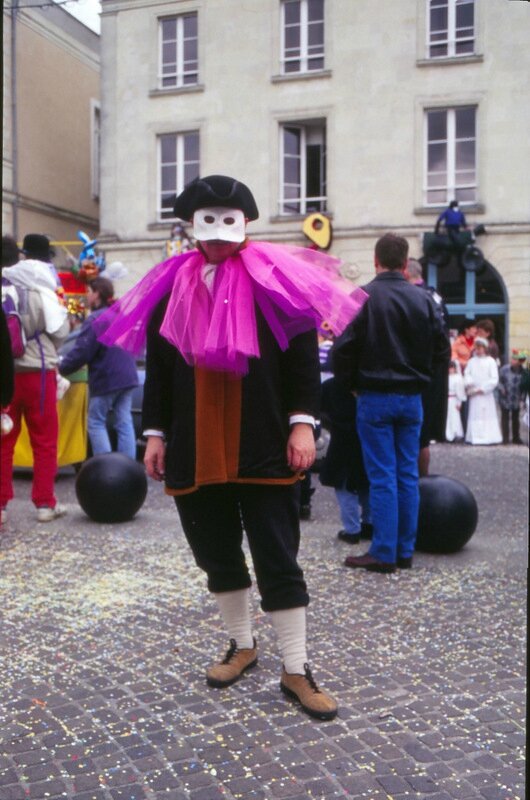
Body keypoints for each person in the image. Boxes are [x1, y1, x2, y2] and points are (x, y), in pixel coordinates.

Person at [94, 174, 367, 721]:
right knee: (216, 551)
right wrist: (155, 433)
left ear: (245, 224)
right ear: (191, 227)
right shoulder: (172, 286)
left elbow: (301, 360)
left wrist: (302, 424)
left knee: (277, 554)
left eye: (228, 221)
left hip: (263, 438)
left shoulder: (276, 281)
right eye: (206, 222)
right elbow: (165, 368)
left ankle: (296, 667)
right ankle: (242, 645)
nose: (217, 235)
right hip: (197, 442)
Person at [332, 233, 450, 573]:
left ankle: (383, 551)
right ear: (404, 262)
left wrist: (352, 385)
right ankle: (404, 550)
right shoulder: (425, 300)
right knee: (407, 475)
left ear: (376, 260)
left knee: (382, 475)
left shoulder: (362, 296)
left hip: (375, 396)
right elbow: (441, 349)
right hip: (412, 397)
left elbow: (342, 350)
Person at [0, 247, 70, 523]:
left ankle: (1, 505)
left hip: (6, 375)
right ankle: (44, 503)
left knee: (4, 440)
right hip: (38, 372)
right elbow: (61, 331)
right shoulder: (40, 292)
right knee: (44, 441)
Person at [59, 277, 139, 460]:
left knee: (96, 421)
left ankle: (105, 466)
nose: (87, 296)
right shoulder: (120, 315)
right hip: (128, 376)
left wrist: (61, 368)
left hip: (107, 377)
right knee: (124, 421)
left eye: (88, 292)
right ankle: (128, 466)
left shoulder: (96, 319)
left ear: (97, 294)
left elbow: (82, 352)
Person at [404, 258, 449, 475]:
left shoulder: (413, 297)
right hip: (433, 375)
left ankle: (413, 484)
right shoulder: (436, 296)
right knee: (423, 439)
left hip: (413, 375)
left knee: (411, 436)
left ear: (405, 273)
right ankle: (421, 482)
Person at [319, 375, 371, 544]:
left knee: (344, 487)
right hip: (367, 440)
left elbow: (318, 410)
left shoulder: (331, 386)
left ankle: (352, 530)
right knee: (367, 485)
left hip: (341, 440)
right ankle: (369, 524)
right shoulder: (370, 384)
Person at [464, 337, 502, 445]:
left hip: (486, 394)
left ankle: (489, 437)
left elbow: (494, 379)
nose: (478, 350)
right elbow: (467, 374)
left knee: (487, 414)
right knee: (475, 414)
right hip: (475, 393)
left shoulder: (491, 361)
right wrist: (471, 385)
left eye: (480, 347)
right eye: (476, 347)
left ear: (485, 348)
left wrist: (483, 389)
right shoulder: (471, 361)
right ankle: (475, 437)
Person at [498, 350, 527, 444]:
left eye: (515, 359)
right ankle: (505, 438)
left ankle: (516, 437)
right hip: (505, 396)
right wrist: (502, 388)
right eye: (512, 358)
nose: (513, 361)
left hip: (516, 398)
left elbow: (525, 386)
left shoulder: (524, 372)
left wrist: (523, 399)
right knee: (505, 418)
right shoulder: (504, 369)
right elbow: (498, 381)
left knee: (515, 418)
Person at [445, 361, 466, 442]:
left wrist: (459, 402)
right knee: (447, 418)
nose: (450, 370)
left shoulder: (458, 378)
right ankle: (447, 434)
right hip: (447, 399)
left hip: (454, 399)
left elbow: (460, 392)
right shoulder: (445, 377)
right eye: (449, 368)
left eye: (452, 368)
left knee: (454, 417)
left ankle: (456, 433)